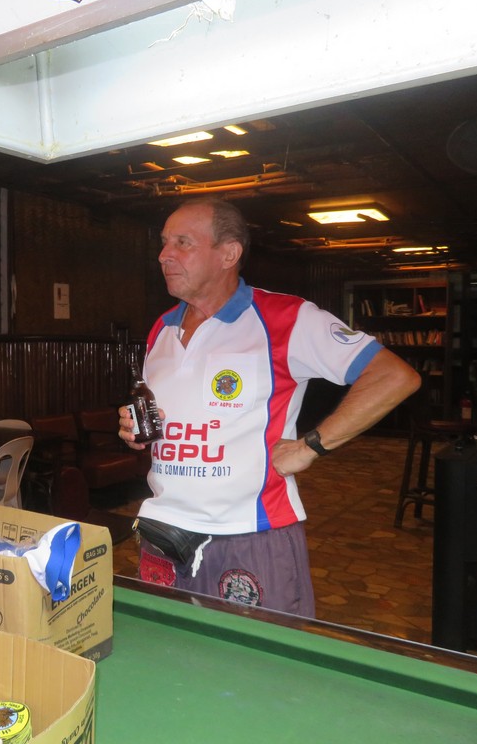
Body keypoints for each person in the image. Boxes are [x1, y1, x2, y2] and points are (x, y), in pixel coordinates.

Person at [119, 197, 421, 616]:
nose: (164, 255)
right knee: (169, 648)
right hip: (163, 532)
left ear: (229, 253)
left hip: (249, 533)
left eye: (182, 242)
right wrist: (136, 431)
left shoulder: (287, 317)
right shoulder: (162, 328)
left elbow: (394, 376)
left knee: (260, 654)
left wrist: (311, 445)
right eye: (165, 243)